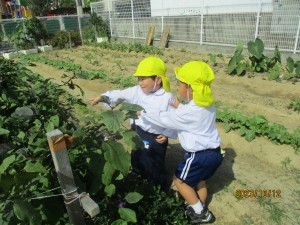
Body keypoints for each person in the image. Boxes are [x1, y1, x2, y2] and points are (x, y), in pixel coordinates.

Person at [140, 61, 224, 223]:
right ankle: (198, 204)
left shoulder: (189, 113)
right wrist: (179, 106)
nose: (177, 88)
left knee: (180, 181)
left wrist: (144, 113)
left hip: (199, 156)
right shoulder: (207, 105)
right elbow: (189, 112)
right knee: (199, 182)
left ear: (190, 88)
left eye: (179, 84)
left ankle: (200, 213)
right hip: (214, 153)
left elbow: (164, 119)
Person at [89, 56, 176, 187]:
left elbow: (174, 117)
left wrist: (167, 133)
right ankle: (137, 176)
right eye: (138, 79)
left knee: (153, 161)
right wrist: (102, 97)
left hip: (156, 137)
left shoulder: (167, 97)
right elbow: (119, 94)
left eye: (143, 79)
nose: (140, 83)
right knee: (137, 155)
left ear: (157, 80)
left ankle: (157, 187)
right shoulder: (137, 91)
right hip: (138, 131)